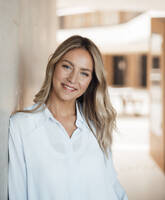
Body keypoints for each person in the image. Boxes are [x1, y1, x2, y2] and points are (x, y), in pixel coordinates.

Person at [8, 35, 128, 200]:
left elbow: (112, 185)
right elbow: (17, 193)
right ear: (53, 66)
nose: (72, 79)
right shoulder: (21, 126)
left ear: (91, 82)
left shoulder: (96, 125)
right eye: (67, 66)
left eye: (84, 73)